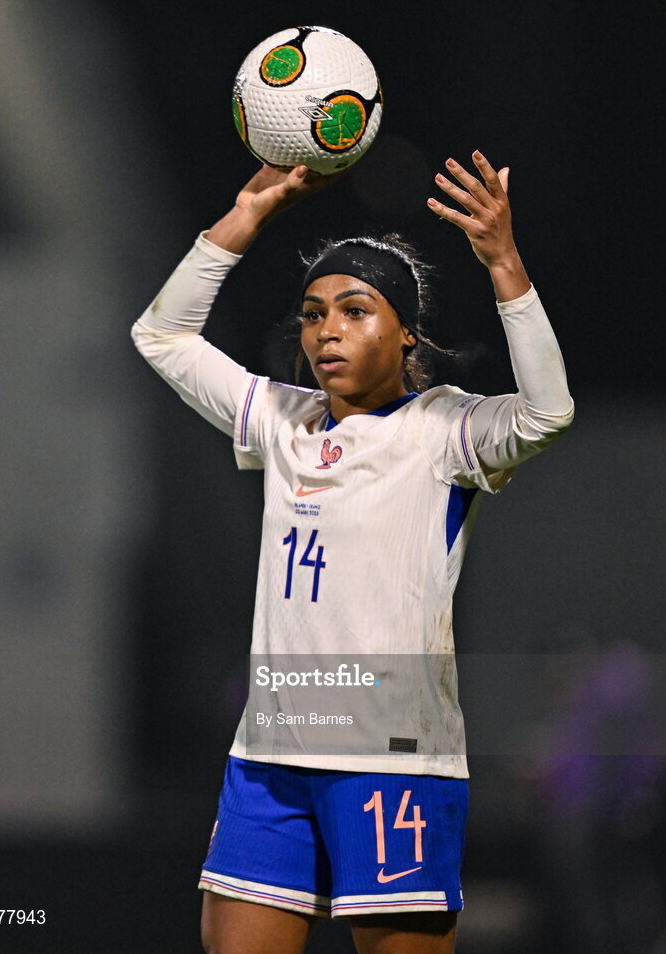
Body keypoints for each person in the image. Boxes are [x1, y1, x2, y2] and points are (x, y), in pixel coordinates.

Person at [131, 152, 574, 954]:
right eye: (312, 312)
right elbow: (160, 335)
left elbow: (547, 413)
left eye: (356, 309)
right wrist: (245, 217)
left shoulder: (444, 430)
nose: (327, 328)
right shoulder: (283, 421)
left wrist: (505, 263)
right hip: (268, 762)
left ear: (407, 332)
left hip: (391, 762)